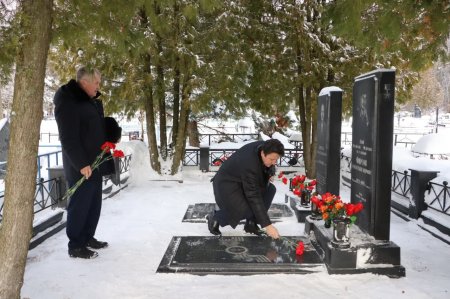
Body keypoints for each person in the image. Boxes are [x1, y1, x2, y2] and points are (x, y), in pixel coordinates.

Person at [54, 66, 120, 259]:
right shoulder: (68, 101)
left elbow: (93, 126)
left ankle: (87, 237)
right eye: (96, 83)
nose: (99, 86)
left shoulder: (89, 99)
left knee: (93, 204)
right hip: (81, 165)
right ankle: (75, 245)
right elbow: (68, 137)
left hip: (95, 161)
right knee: (80, 204)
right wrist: (82, 163)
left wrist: (111, 130)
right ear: (85, 83)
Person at [207, 139, 284, 239]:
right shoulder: (249, 163)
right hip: (227, 183)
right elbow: (253, 195)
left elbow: (260, 173)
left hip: (242, 180)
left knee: (270, 190)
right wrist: (268, 226)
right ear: (262, 153)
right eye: (271, 159)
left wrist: (269, 169)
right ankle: (215, 217)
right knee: (245, 209)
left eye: (276, 160)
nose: (274, 163)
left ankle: (251, 224)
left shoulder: (264, 146)